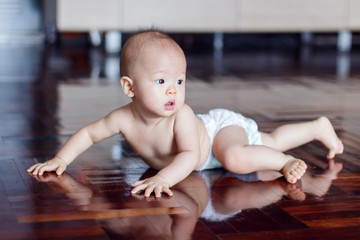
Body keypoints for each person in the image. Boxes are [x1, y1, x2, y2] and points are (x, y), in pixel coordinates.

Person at [27, 30, 344, 198]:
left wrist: (162, 177)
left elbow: (191, 155)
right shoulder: (122, 117)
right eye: (161, 81)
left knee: (237, 156)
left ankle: (285, 162)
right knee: (269, 138)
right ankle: (317, 127)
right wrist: (61, 160)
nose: (173, 91)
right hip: (213, 151)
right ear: (129, 87)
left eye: (179, 80)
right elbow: (88, 133)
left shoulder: (182, 114)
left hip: (218, 130)